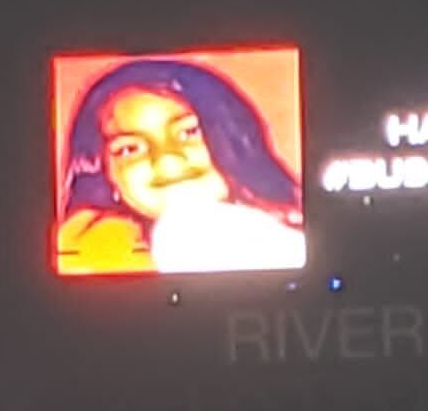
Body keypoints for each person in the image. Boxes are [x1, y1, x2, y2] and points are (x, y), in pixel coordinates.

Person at [54, 55, 305, 276]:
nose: (166, 158)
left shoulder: (292, 220)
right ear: (105, 175)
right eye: (129, 149)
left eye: (188, 132)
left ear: (234, 135)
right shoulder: (94, 253)